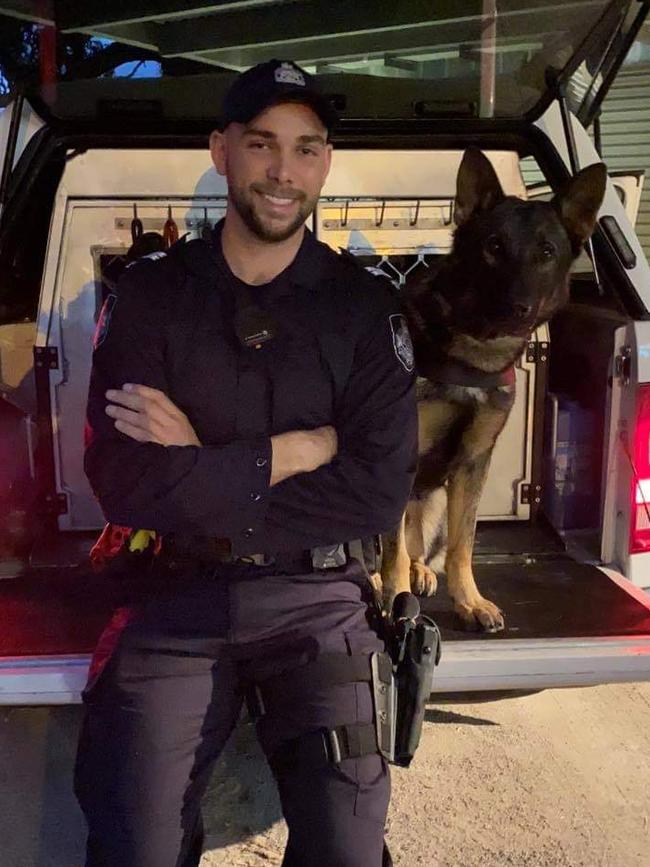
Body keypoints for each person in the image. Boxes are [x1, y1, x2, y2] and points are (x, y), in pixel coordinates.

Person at [75, 59, 418, 867]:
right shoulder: (155, 298)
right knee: (132, 846)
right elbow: (121, 478)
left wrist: (202, 464)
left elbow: (374, 491)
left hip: (319, 602)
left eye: (305, 149)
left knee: (347, 847)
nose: (282, 171)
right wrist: (290, 453)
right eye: (262, 145)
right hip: (177, 600)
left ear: (324, 162)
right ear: (221, 149)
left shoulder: (363, 309)